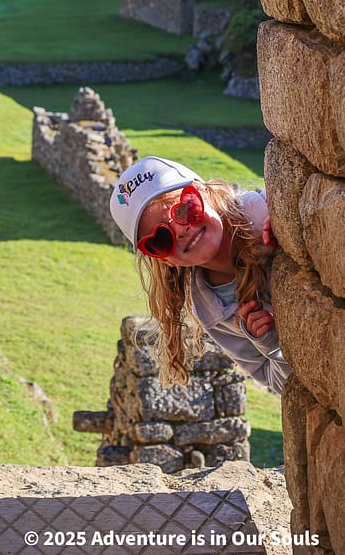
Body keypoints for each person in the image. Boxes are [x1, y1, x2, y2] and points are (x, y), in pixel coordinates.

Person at [110, 156, 291, 394]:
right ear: (163, 259)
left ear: (205, 192)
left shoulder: (266, 210)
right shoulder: (211, 309)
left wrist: (288, 222)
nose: (182, 230)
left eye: (184, 209)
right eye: (162, 239)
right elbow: (281, 385)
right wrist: (272, 344)